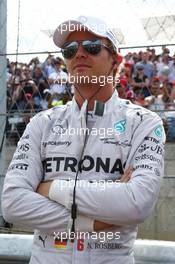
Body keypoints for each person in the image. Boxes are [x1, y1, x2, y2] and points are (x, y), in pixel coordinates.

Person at [2, 15, 166, 264]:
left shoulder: (144, 122)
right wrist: (94, 220)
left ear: (116, 61)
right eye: (69, 50)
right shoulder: (41, 123)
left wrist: (52, 189)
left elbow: (136, 203)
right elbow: (13, 204)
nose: (78, 54)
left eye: (91, 46)